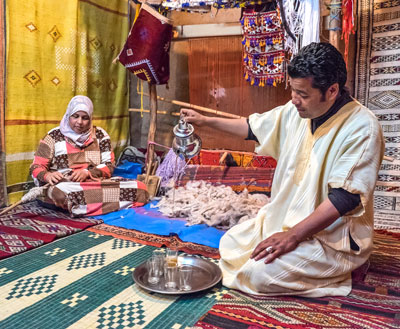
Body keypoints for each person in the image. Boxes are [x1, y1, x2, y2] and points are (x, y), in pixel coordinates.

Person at [181, 42, 385, 297]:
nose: (294, 100)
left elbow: (346, 197)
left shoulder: (362, 127)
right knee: (230, 243)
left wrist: (293, 237)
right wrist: (203, 121)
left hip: (330, 238)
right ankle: (291, 254)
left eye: (303, 94)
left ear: (332, 91)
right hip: (283, 222)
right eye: (292, 90)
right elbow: (253, 128)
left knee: (256, 275)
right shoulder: (296, 111)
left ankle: (342, 270)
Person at [30, 95, 149, 217]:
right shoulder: (53, 136)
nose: (80, 122)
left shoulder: (100, 135)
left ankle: (79, 207)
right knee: (60, 194)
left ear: (90, 118)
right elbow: (36, 166)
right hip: (65, 185)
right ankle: (99, 204)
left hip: (93, 184)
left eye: (85, 118)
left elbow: (110, 167)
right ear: (68, 115)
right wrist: (47, 175)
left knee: (140, 188)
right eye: (75, 116)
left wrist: (87, 173)